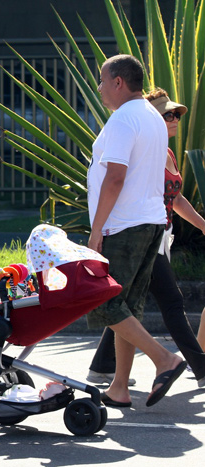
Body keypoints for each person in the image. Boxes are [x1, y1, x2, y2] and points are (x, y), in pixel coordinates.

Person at [87, 88, 205, 389]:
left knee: (124, 303)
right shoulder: (141, 143)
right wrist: (98, 229)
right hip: (137, 231)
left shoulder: (164, 153)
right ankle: (188, 365)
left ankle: (108, 373)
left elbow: (175, 198)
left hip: (152, 233)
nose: (174, 119)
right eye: (168, 114)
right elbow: (115, 179)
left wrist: (203, 225)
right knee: (160, 302)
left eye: (176, 114)